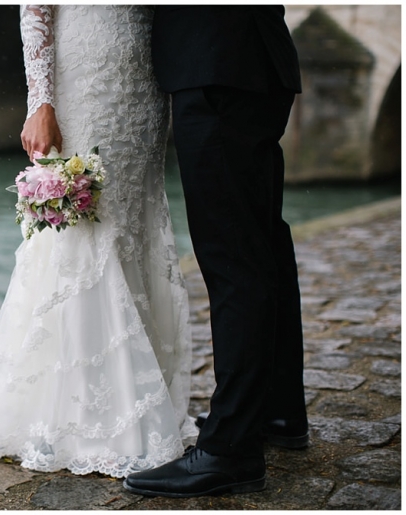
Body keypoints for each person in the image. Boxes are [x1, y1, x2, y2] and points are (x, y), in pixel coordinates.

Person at [0, 5, 197, 478]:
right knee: (89, 223)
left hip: (142, 84)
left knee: (133, 221)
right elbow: (35, 9)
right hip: (85, 75)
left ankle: (141, 392)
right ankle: (81, 410)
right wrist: (40, 102)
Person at [123, 6, 308, 497]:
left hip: (216, 64)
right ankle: (276, 409)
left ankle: (230, 448)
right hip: (248, 59)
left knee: (234, 259)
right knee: (262, 244)